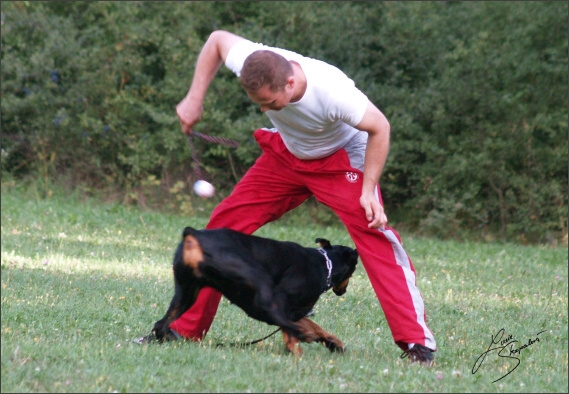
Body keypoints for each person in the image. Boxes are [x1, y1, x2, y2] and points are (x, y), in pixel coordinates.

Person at [170, 30, 437, 364]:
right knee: (218, 231)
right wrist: (194, 97)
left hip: (340, 159)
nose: (264, 109)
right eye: (260, 104)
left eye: (269, 102)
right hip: (287, 155)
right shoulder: (254, 60)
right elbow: (217, 40)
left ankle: (417, 344)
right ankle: (182, 329)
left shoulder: (332, 92)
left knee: (374, 234)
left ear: (291, 83)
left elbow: (380, 127)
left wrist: (368, 190)